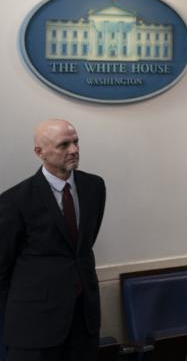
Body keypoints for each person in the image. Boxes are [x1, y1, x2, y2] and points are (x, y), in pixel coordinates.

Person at [0, 119, 107, 361]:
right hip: (34, 326)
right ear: (40, 152)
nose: (74, 150)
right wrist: (16, 318)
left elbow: (82, 247)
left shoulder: (94, 187)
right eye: (64, 145)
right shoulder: (15, 201)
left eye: (76, 142)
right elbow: (2, 268)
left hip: (84, 320)